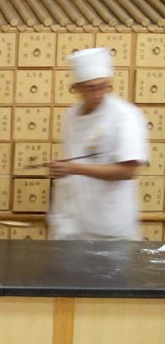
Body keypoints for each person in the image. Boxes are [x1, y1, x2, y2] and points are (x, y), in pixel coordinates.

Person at [47, 47, 149, 240]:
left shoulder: (124, 115)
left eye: (102, 86)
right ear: (76, 87)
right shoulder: (71, 116)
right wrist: (62, 168)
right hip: (74, 226)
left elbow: (127, 171)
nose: (97, 93)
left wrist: (75, 168)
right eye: (90, 88)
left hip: (110, 228)